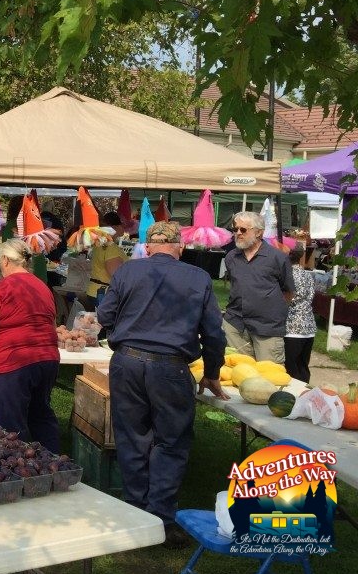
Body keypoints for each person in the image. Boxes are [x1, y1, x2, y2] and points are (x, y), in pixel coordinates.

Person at [96, 221, 228, 548]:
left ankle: (135, 512)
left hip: (127, 362)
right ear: (179, 247)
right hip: (170, 366)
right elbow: (214, 332)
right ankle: (160, 520)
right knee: (171, 442)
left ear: (148, 246)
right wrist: (212, 371)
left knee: (132, 437)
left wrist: (127, 327)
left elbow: (105, 315)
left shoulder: (127, 271)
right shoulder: (198, 277)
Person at [0, 238, 60, 452]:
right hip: (47, 359)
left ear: (5, 260)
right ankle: (54, 462)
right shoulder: (43, 287)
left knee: (9, 428)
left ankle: (14, 464)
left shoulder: (1, 287)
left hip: (12, 363)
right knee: (41, 415)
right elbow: (52, 326)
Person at [223, 210, 294, 363]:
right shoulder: (231, 257)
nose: (238, 233)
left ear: (259, 233)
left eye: (243, 229)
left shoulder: (277, 258)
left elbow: (288, 291)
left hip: (267, 328)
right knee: (238, 371)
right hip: (235, 324)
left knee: (269, 374)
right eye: (235, 229)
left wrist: (272, 312)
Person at [285, 244, 316, 383]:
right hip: (308, 327)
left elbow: (287, 299)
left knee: (291, 369)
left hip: (292, 327)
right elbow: (310, 296)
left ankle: (294, 393)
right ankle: (305, 391)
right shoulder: (308, 275)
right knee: (303, 366)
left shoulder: (288, 275)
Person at [84, 211, 127, 310]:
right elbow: (117, 275)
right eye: (121, 225)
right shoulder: (111, 248)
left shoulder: (100, 244)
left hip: (96, 291)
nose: (123, 228)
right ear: (115, 227)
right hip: (104, 294)